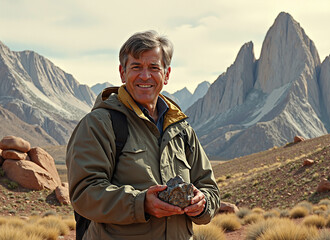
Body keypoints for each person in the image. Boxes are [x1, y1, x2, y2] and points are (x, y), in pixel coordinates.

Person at [66, 30, 220, 240]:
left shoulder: (181, 129)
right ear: (122, 72)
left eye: (154, 68)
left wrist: (202, 204)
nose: (145, 76)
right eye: (136, 67)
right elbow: (84, 193)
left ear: (166, 75)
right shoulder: (100, 124)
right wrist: (141, 204)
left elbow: (208, 186)